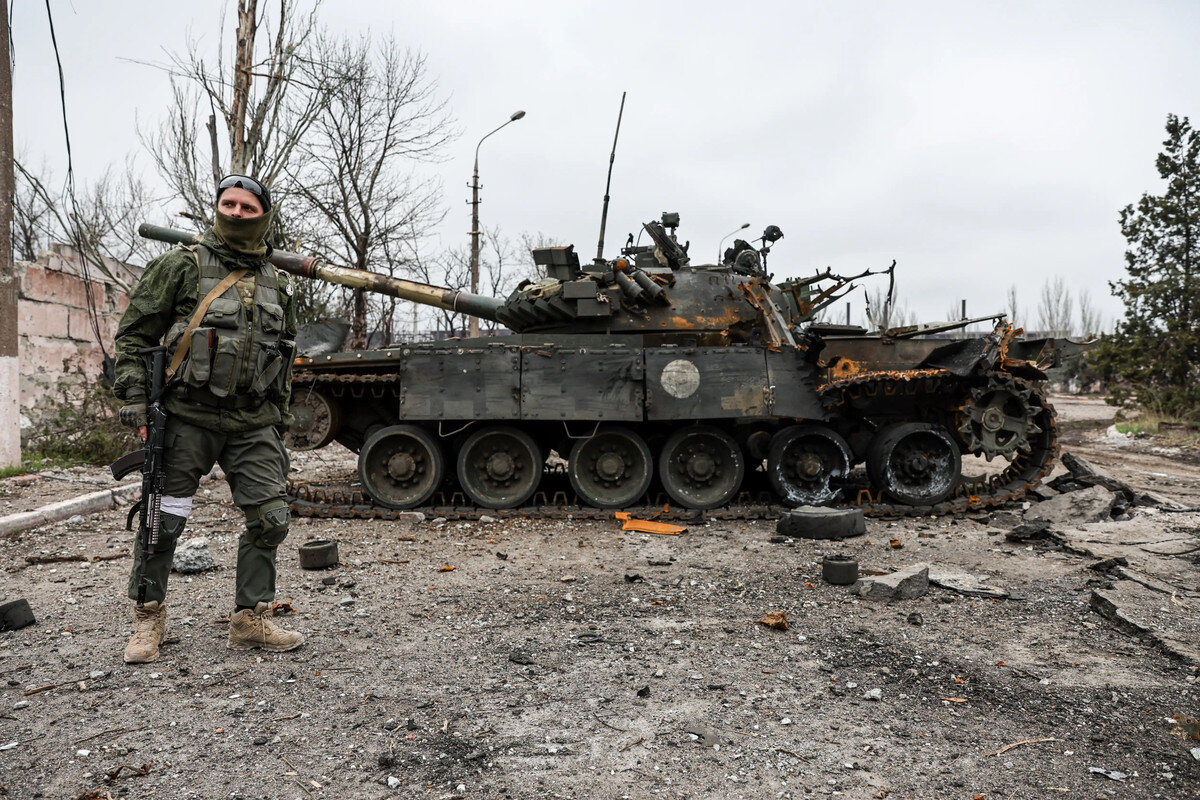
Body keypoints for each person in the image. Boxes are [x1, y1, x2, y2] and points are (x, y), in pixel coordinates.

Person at [113, 174, 304, 664]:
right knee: (163, 521)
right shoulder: (181, 266)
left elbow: (284, 357)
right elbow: (134, 336)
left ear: (263, 214)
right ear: (218, 208)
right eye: (229, 204)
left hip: (253, 422)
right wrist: (135, 400)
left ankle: (251, 618)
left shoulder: (278, 282)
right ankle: (149, 617)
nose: (237, 213)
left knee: (271, 518)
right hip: (186, 419)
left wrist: (278, 422)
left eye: (247, 206)